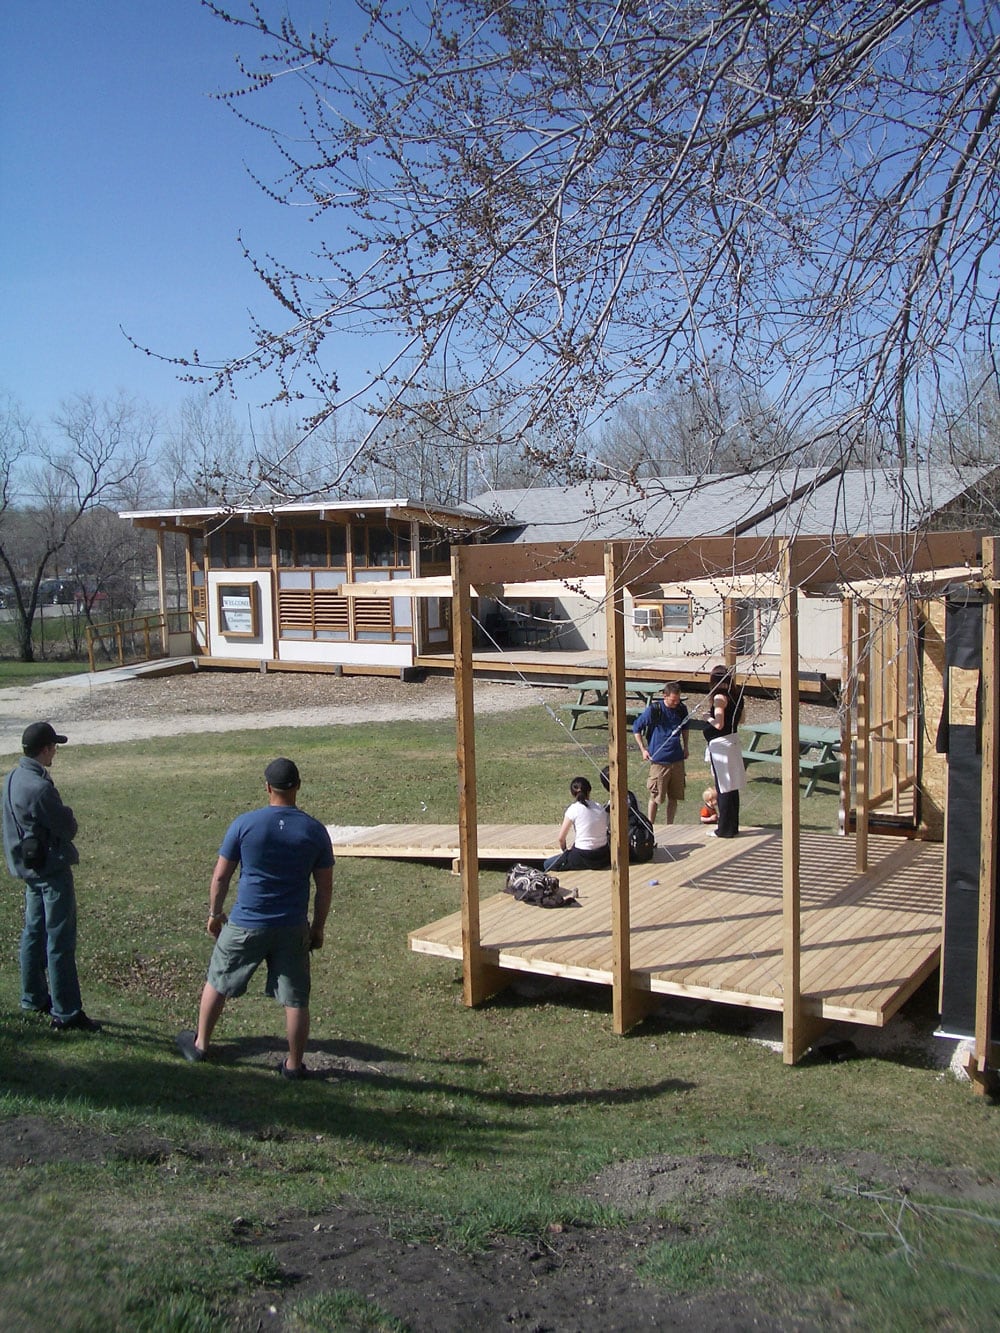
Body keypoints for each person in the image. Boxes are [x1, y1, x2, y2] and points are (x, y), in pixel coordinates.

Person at [176, 757, 334, 1079]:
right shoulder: (314, 830)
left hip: (247, 921)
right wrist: (317, 928)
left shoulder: (244, 824)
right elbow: (324, 888)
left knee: (218, 980)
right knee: (295, 998)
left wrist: (215, 913)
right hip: (291, 926)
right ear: (298, 787)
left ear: (266, 788)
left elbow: (220, 877)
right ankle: (293, 1065)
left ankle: (201, 1044)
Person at [2, 721, 101, 1032]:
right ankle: (67, 1011)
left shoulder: (12, 778)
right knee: (59, 940)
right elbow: (66, 826)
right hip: (51, 870)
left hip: (28, 868)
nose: (55, 752)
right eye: (53, 747)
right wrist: (68, 815)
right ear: (44, 749)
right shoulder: (41, 787)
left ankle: (33, 997)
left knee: (33, 933)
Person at [632, 682, 690, 824]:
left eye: (678, 700)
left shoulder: (681, 709)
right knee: (656, 796)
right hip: (659, 760)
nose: (676, 703)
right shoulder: (655, 710)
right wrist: (643, 750)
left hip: (676, 759)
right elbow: (636, 728)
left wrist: (686, 747)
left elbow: (685, 728)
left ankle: (670, 824)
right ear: (664, 696)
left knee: (674, 796)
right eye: (673, 700)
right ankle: (650, 825)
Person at [702, 665, 746, 839]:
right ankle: (732, 825)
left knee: (724, 787)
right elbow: (741, 719)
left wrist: (707, 717)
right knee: (732, 786)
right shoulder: (737, 695)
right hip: (733, 740)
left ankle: (724, 829)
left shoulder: (720, 698)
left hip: (721, 745)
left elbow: (719, 724)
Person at [543, 776, 610, 872]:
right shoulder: (599, 807)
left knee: (547, 864)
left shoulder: (573, 809)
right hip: (602, 856)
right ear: (589, 791)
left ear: (572, 794)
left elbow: (561, 838)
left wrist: (565, 851)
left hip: (582, 856)